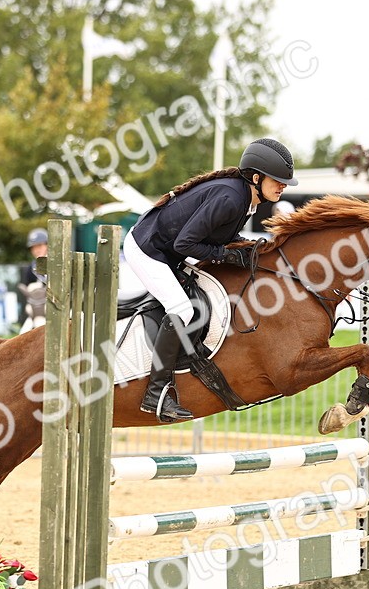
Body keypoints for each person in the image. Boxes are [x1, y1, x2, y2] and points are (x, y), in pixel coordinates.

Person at [123, 137, 296, 422]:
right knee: (183, 309)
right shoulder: (230, 198)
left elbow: (220, 239)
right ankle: (156, 394)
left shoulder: (244, 200)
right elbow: (185, 245)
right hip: (147, 249)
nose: (283, 186)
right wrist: (227, 256)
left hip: (167, 250)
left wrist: (249, 249)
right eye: (277, 180)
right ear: (256, 177)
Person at [19, 228, 49, 334]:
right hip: (38, 312)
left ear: (47, 245)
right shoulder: (30, 268)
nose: (37, 250)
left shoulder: (58, 263)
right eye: (33, 247)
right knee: (22, 334)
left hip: (61, 309)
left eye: (39, 246)